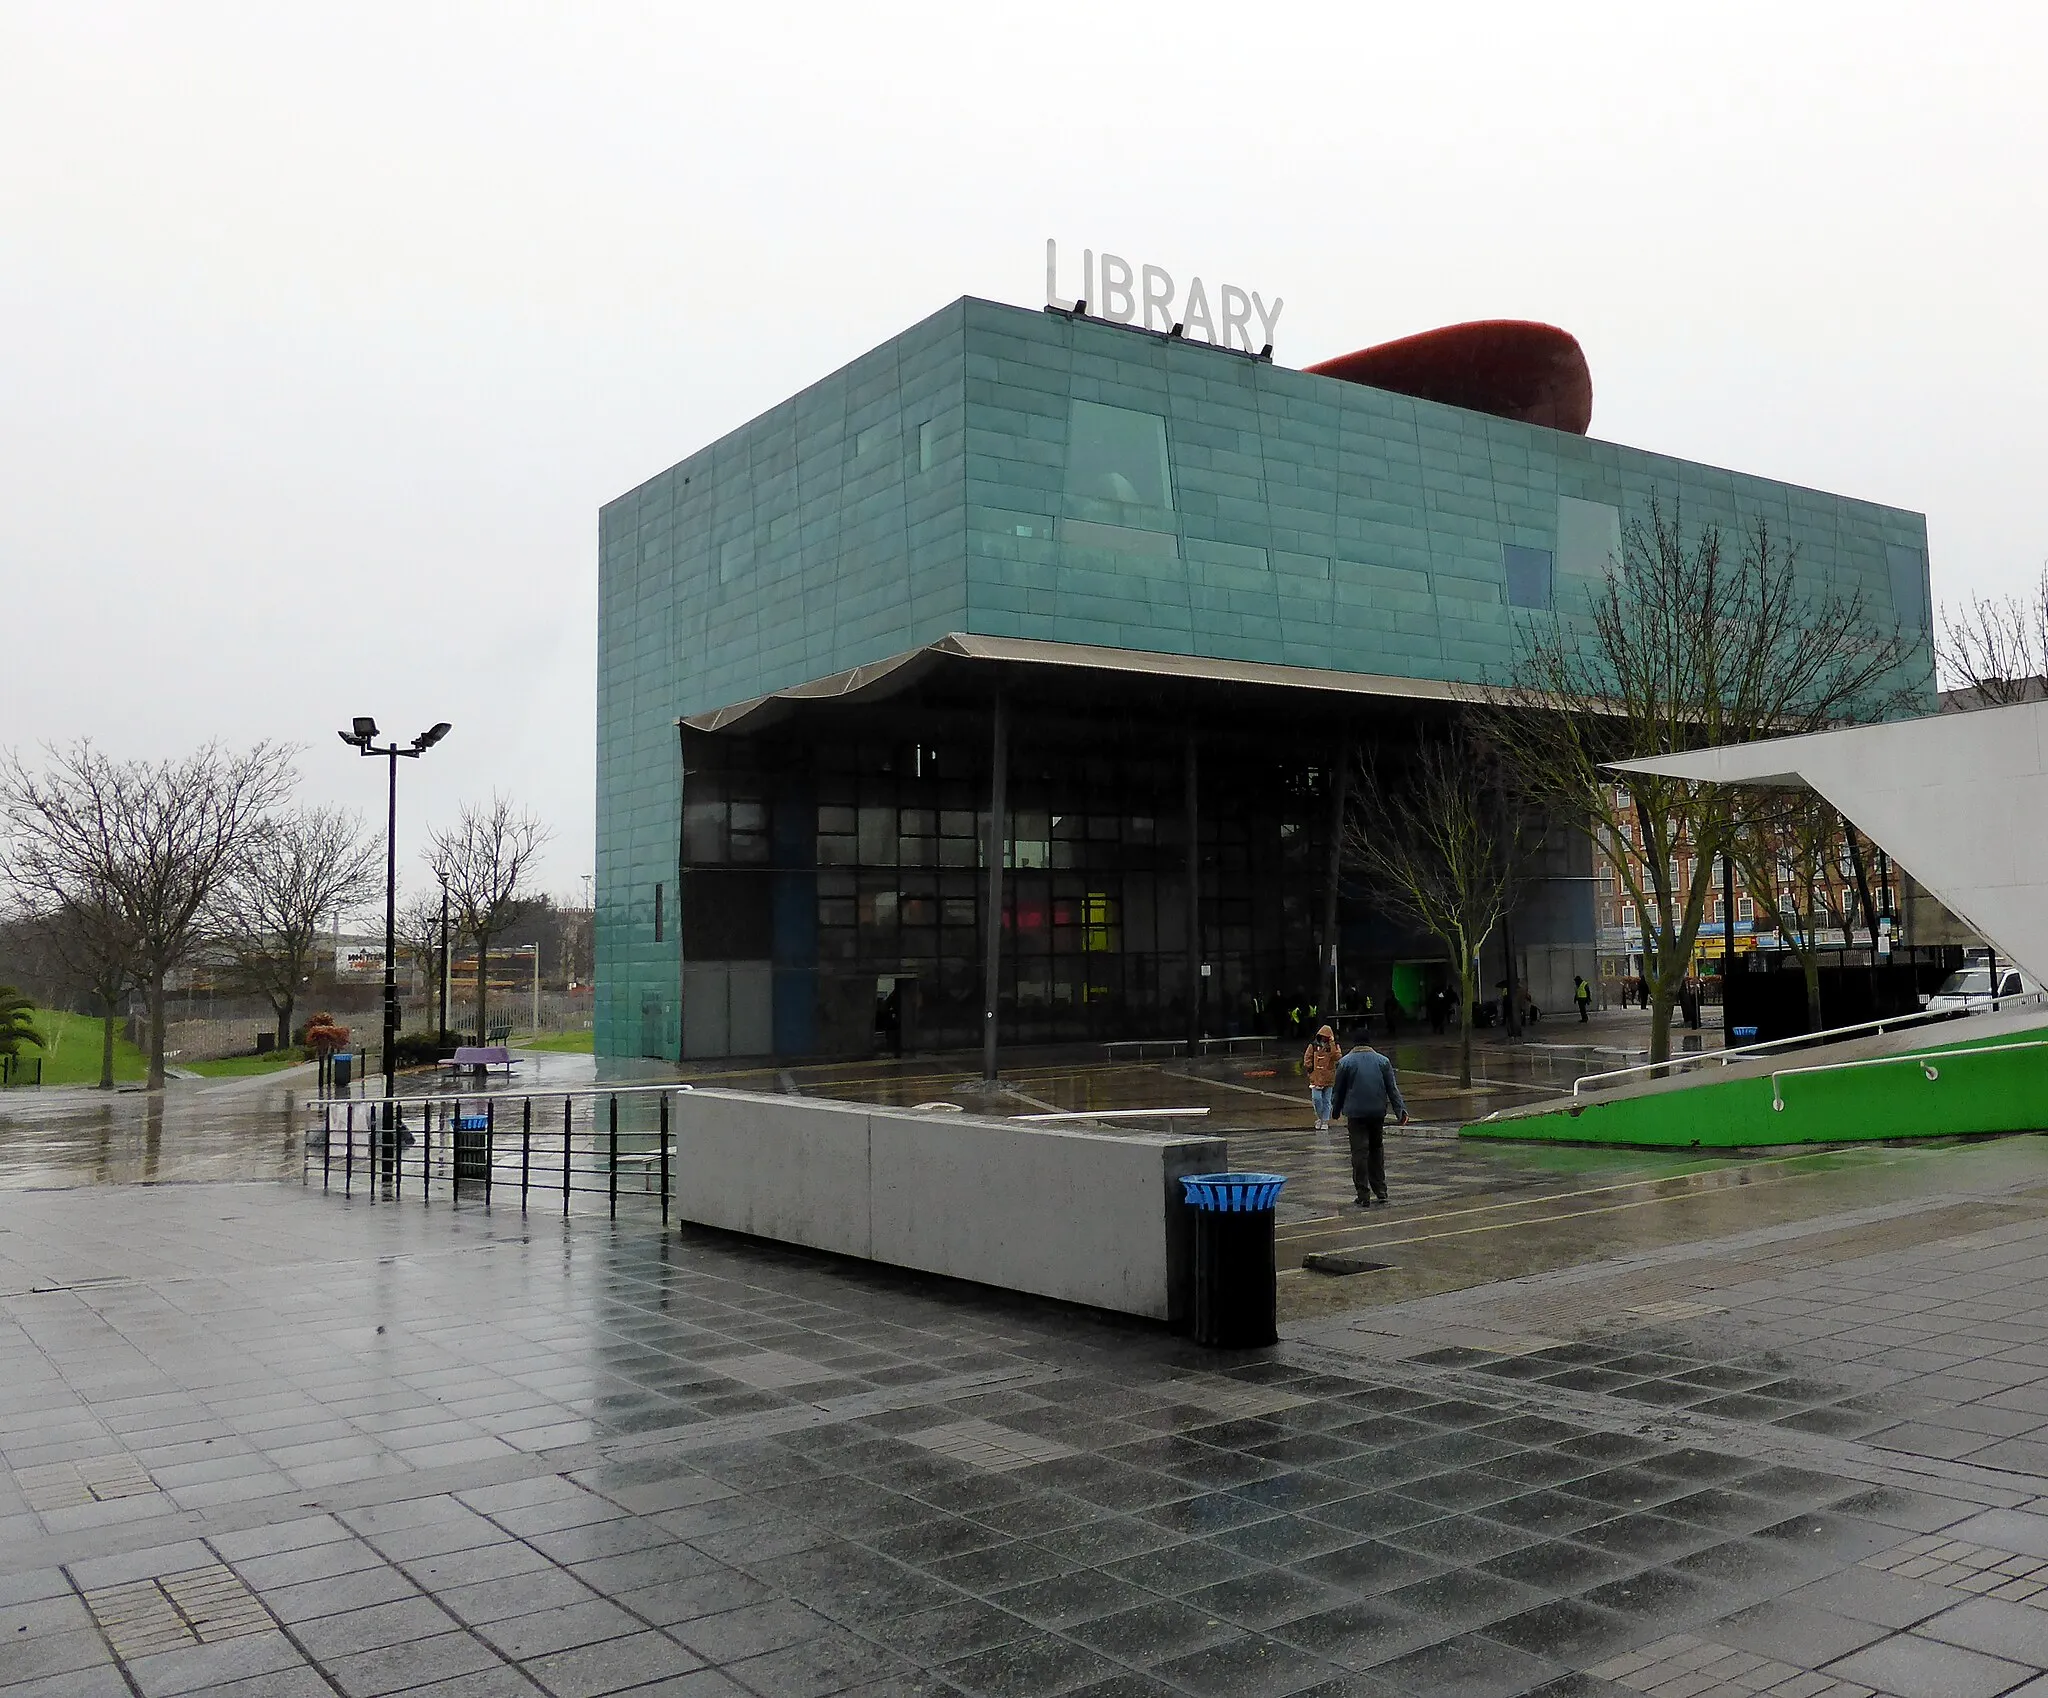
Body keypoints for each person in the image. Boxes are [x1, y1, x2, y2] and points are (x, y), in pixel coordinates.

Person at [1331, 1026, 1408, 1207]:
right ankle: (1381, 1190)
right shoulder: (1383, 1061)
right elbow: (1392, 1089)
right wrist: (1401, 1111)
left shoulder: (1345, 1062)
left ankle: (1362, 1193)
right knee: (1376, 1150)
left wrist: (1336, 1110)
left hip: (1356, 1114)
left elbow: (1339, 1090)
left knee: (1359, 1152)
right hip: (1377, 1112)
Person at [1302, 1023, 1340, 1130]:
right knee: (1317, 1099)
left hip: (1328, 1078)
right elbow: (1307, 1058)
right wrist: (1310, 1069)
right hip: (1316, 1078)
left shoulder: (1334, 1046)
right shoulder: (1313, 1046)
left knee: (1327, 1100)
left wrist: (1332, 1042)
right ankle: (1319, 1117)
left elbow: (1336, 1056)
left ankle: (1325, 1120)